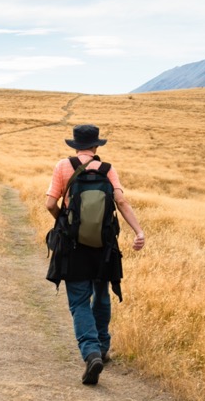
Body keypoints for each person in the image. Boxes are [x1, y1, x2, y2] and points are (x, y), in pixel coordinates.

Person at [45, 124, 146, 386]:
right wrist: (139, 232)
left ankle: (90, 353)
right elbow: (121, 202)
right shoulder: (107, 169)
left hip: (73, 247)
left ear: (75, 145)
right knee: (101, 295)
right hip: (104, 247)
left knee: (79, 301)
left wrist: (64, 224)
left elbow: (49, 203)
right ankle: (102, 347)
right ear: (97, 146)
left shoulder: (63, 166)